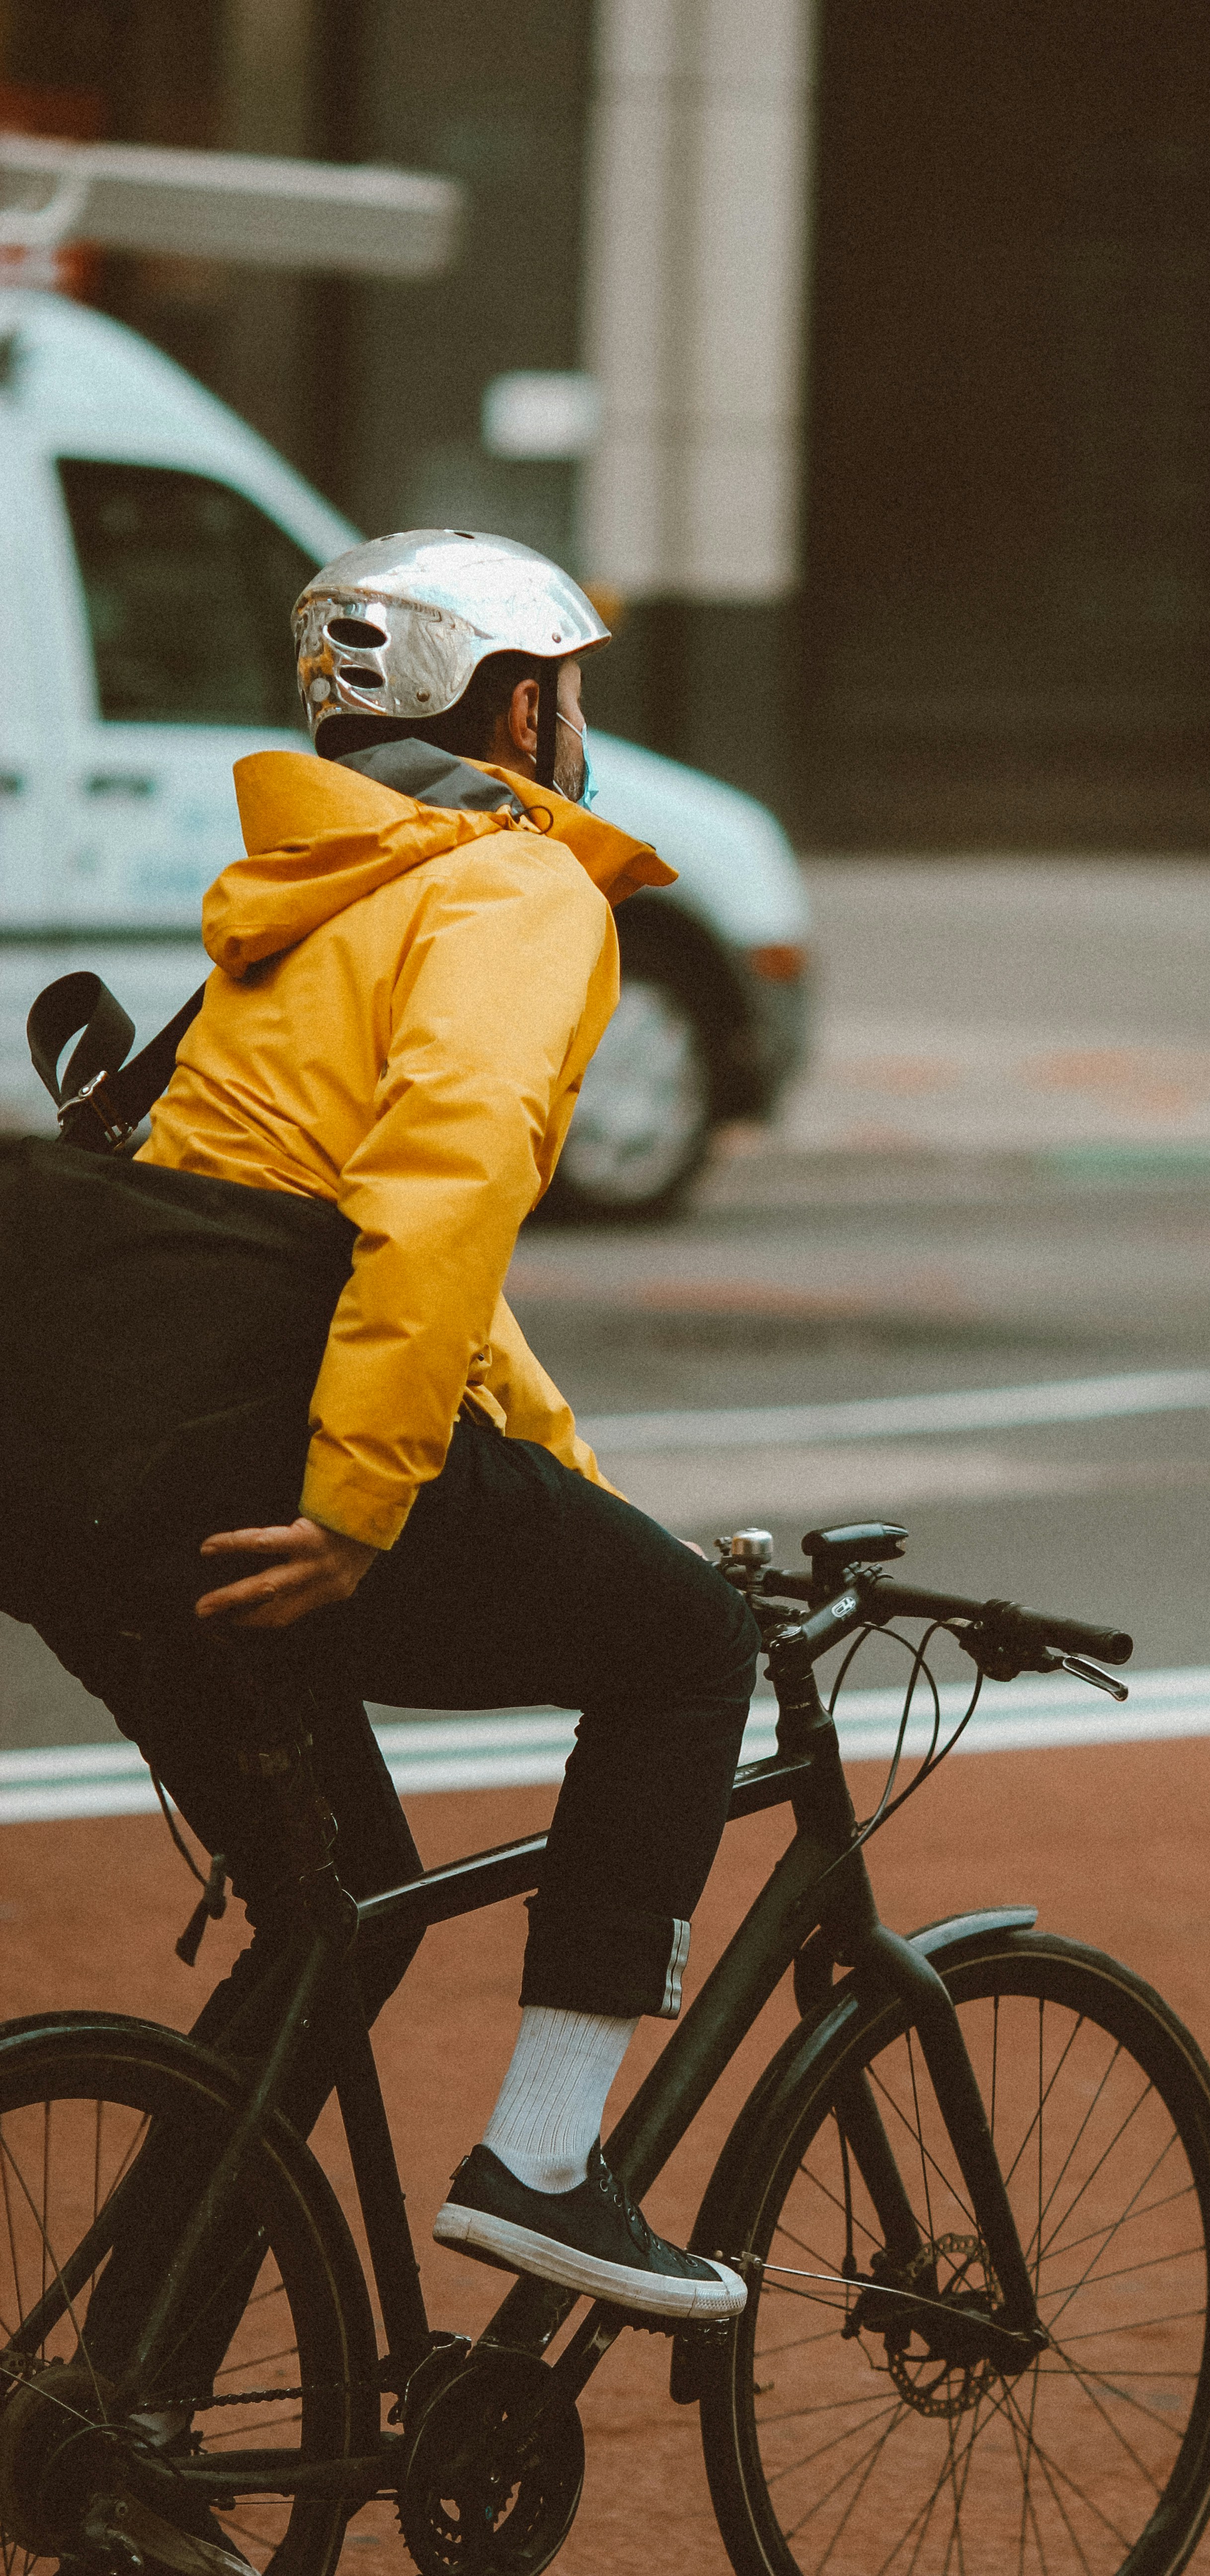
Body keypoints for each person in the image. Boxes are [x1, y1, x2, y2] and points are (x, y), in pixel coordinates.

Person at [29, 530, 758, 2331]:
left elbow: (357, 1240)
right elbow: (438, 1206)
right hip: (275, 1480)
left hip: (94, 1497)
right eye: (567, 688)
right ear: (516, 704)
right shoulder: (516, 890)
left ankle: (118, 2418)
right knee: (689, 1646)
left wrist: (569, 1478)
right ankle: (541, 2159)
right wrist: (360, 1509)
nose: (578, 723)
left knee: (339, 1915)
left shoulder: (311, 898)